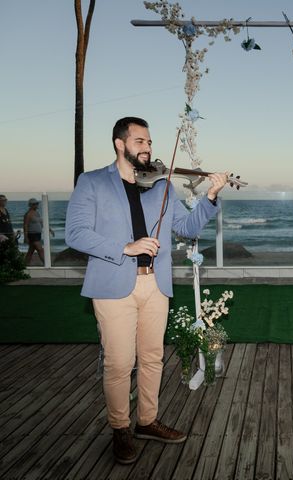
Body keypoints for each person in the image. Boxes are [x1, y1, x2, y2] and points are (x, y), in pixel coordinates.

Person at [65, 117, 229, 465]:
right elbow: (76, 234)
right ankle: (120, 428)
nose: (148, 148)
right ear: (119, 144)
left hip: (156, 284)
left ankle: (147, 421)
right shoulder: (92, 182)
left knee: (153, 358)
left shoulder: (161, 188)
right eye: (140, 141)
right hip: (113, 285)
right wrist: (125, 246)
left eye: (150, 142)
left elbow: (186, 228)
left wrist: (210, 196)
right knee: (120, 362)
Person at [23, 197, 53, 265]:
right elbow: (25, 225)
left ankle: (24, 265)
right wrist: (26, 237)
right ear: (30, 205)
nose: (36, 205)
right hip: (32, 235)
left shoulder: (37, 213)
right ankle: (46, 264)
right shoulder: (28, 214)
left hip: (38, 234)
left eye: (37, 203)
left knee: (30, 251)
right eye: (34, 204)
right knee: (40, 249)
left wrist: (49, 229)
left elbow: (42, 223)